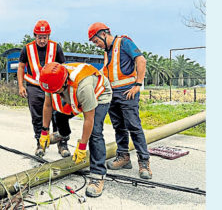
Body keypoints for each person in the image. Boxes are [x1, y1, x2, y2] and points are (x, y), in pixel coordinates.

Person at [88, 22, 152, 179]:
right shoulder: (106, 52)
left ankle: (144, 163)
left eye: (96, 41)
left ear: (103, 34)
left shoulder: (123, 42)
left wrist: (138, 84)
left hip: (127, 92)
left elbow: (141, 60)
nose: (97, 45)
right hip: (112, 94)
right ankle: (123, 157)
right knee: (119, 127)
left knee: (134, 126)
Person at [39, 62, 112, 197]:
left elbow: (88, 119)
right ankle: (63, 134)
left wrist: (82, 146)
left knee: (95, 132)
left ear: (65, 83)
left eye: (55, 91)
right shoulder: (50, 80)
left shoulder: (84, 87)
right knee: (59, 113)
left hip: (99, 94)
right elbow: (48, 106)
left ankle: (98, 175)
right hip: (74, 91)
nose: (52, 93)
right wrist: (44, 132)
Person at [17, 20, 66, 157]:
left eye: (45, 37)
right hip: (34, 85)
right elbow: (21, 67)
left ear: (49, 36)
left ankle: (62, 144)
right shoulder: (27, 49)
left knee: (58, 115)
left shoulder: (56, 48)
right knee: (37, 116)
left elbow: (63, 67)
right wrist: (21, 86)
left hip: (54, 88)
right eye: (39, 37)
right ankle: (40, 143)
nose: (42, 40)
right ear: (35, 36)